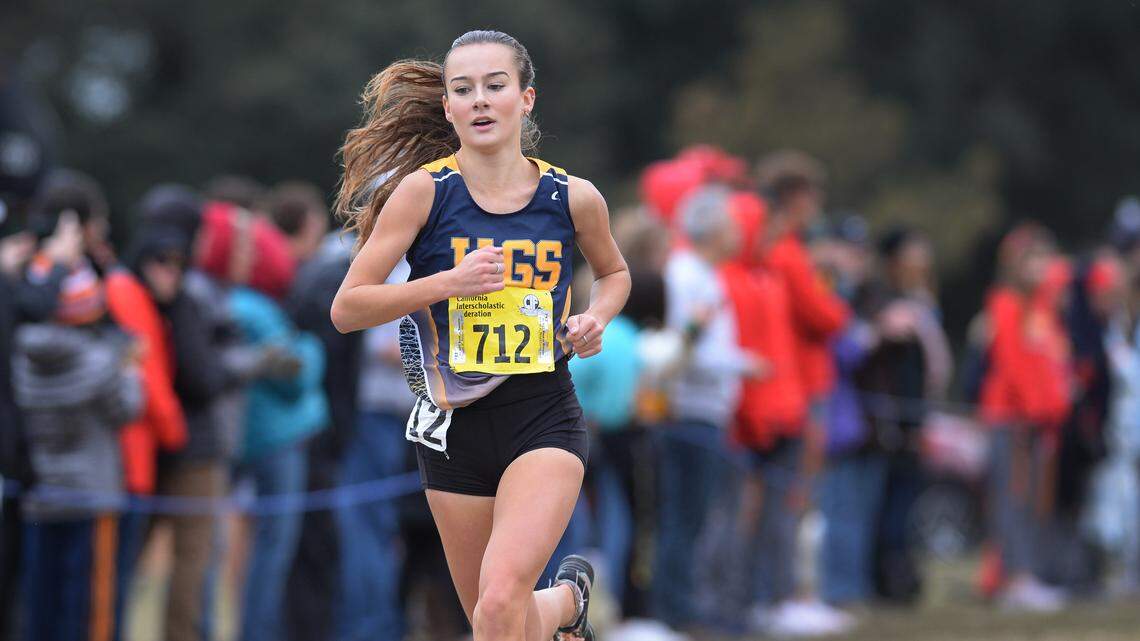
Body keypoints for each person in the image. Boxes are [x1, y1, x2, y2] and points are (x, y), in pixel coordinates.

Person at [331, 30, 630, 641]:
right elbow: (349, 308)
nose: (480, 101)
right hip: (452, 427)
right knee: (495, 623)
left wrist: (596, 318)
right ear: (447, 107)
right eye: (463, 90)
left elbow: (615, 273)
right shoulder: (423, 194)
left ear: (527, 99)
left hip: (542, 413)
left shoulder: (572, 198)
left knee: (498, 607)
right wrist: (445, 283)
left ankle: (566, 600)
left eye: (496, 86)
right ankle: (566, 608)